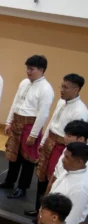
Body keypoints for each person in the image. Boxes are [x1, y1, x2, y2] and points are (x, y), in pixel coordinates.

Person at [0, 56, 54, 199]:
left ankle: (22, 187)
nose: (28, 72)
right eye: (27, 68)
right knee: (13, 155)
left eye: (31, 69)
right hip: (17, 122)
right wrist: (8, 121)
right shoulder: (24, 82)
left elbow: (43, 115)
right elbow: (15, 102)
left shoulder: (46, 89)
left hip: (30, 126)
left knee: (27, 160)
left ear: (41, 70)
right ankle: (9, 181)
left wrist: (33, 134)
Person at [26, 74, 87, 216]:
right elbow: (52, 122)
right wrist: (43, 141)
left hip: (62, 147)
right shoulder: (61, 102)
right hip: (51, 141)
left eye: (66, 87)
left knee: (53, 179)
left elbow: (77, 140)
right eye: (62, 86)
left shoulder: (80, 110)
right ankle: (38, 209)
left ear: (76, 89)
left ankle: (48, 211)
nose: (62, 90)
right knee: (41, 175)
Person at [47, 120, 88, 193]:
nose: (65, 137)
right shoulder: (68, 148)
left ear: (81, 139)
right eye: (65, 134)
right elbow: (57, 170)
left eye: (69, 136)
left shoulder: (84, 158)